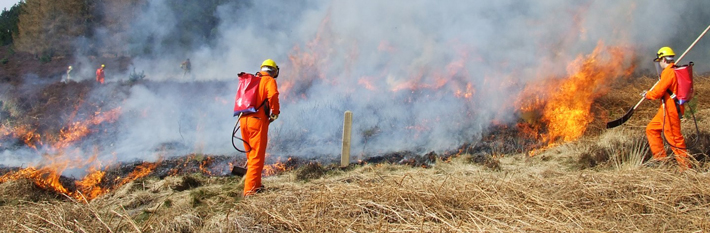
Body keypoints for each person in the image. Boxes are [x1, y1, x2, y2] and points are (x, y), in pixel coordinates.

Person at [643, 46, 690, 170]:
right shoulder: (672, 70)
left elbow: (658, 92)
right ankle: (660, 159)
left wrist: (648, 94)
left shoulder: (669, 72)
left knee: (674, 139)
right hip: (664, 110)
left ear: (664, 59)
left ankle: (686, 168)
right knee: (651, 129)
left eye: (660, 61)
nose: (660, 64)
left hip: (671, 110)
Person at [239, 59, 280, 196]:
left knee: (251, 156)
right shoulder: (269, 81)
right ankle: (250, 192)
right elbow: (273, 95)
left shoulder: (252, 80)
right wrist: (275, 112)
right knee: (257, 157)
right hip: (257, 121)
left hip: (243, 120)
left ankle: (256, 185)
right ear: (274, 71)